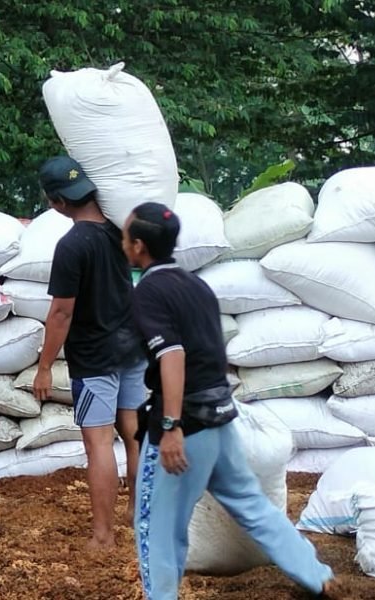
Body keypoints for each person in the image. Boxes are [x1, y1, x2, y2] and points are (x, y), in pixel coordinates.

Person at [124, 202, 339, 599]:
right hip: (222, 420)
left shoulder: (150, 290)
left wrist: (170, 427)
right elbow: (211, 351)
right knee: (253, 506)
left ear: (138, 246)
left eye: (125, 237)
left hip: (185, 427)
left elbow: (172, 355)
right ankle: (316, 575)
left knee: (159, 531)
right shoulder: (196, 286)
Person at [32, 155, 148, 549]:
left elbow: (62, 312)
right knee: (133, 437)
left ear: (57, 202)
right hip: (132, 347)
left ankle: (103, 536)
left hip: (95, 357)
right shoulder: (120, 232)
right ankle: (137, 516)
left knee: (99, 443)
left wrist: (45, 367)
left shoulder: (72, 245)